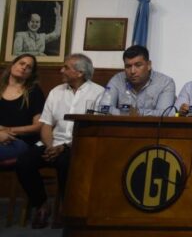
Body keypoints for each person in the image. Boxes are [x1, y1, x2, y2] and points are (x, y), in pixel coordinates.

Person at [16, 53, 104, 228]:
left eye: (66, 67)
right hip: (51, 143)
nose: (61, 70)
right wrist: (50, 146)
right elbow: (46, 125)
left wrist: (64, 147)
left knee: (66, 163)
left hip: (78, 145)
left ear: (79, 72)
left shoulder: (99, 93)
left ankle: (67, 208)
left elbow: (94, 129)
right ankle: (41, 204)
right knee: (24, 162)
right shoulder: (56, 92)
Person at [105, 45, 176, 116]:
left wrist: (138, 113)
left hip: (152, 126)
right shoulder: (117, 80)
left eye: (138, 65)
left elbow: (163, 113)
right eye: (128, 66)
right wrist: (127, 113)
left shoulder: (165, 83)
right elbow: (104, 108)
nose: (132, 71)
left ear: (149, 65)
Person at [0, 54, 44, 160]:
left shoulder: (34, 92)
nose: (24, 67)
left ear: (30, 74)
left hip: (19, 141)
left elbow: (38, 126)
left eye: (29, 67)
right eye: (22, 63)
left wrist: (7, 130)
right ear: (12, 65)